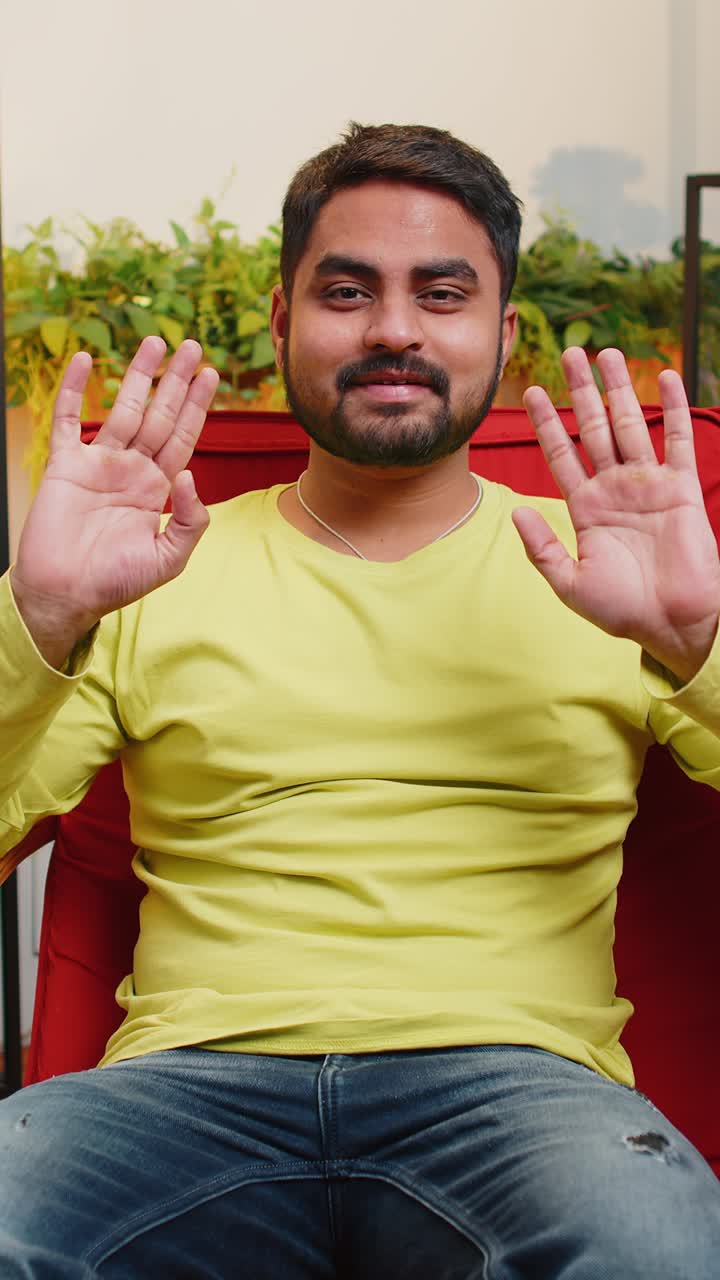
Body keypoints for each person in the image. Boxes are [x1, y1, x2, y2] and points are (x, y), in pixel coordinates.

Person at [1, 121, 719, 1278]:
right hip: (185, 1087)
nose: (393, 327)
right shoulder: (146, 563)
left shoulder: (617, 575)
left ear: (503, 333)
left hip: (519, 1089)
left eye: (443, 292)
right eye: (348, 290)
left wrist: (698, 645)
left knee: (660, 1249)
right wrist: (36, 620)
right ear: (285, 323)